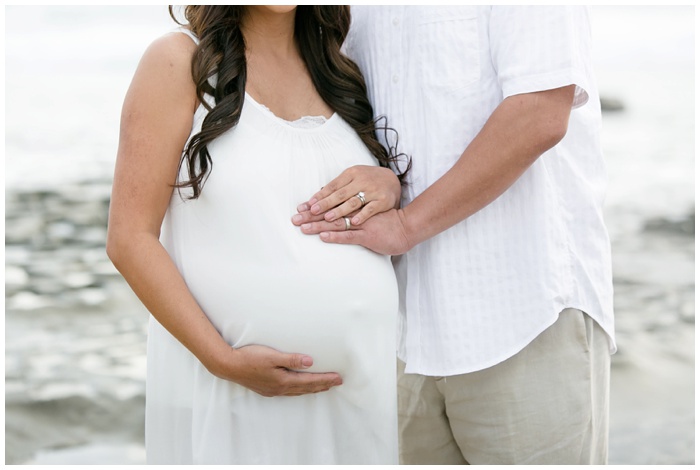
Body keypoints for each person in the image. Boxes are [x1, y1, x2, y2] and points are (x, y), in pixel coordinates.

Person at [293, 6, 616, 465]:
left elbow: (540, 112)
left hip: (526, 313)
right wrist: (382, 176)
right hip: (397, 329)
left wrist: (407, 224)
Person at [106, 5, 407, 465]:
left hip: (362, 396)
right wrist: (221, 360)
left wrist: (389, 183)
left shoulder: (343, 69)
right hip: (230, 396)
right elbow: (130, 238)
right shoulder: (178, 63)